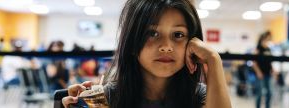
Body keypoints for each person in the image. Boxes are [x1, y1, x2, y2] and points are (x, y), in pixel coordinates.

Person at [62, 0, 231, 108]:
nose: (166, 46)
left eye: (178, 35)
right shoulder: (107, 98)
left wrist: (213, 59)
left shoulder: (198, 96)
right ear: (132, 43)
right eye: (152, 34)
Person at [252, 31, 276, 108]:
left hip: (268, 74)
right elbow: (254, 62)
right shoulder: (258, 48)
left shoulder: (268, 49)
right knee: (259, 93)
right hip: (260, 74)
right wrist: (258, 72)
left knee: (269, 93)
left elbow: (270, 62)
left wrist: (273, 70)